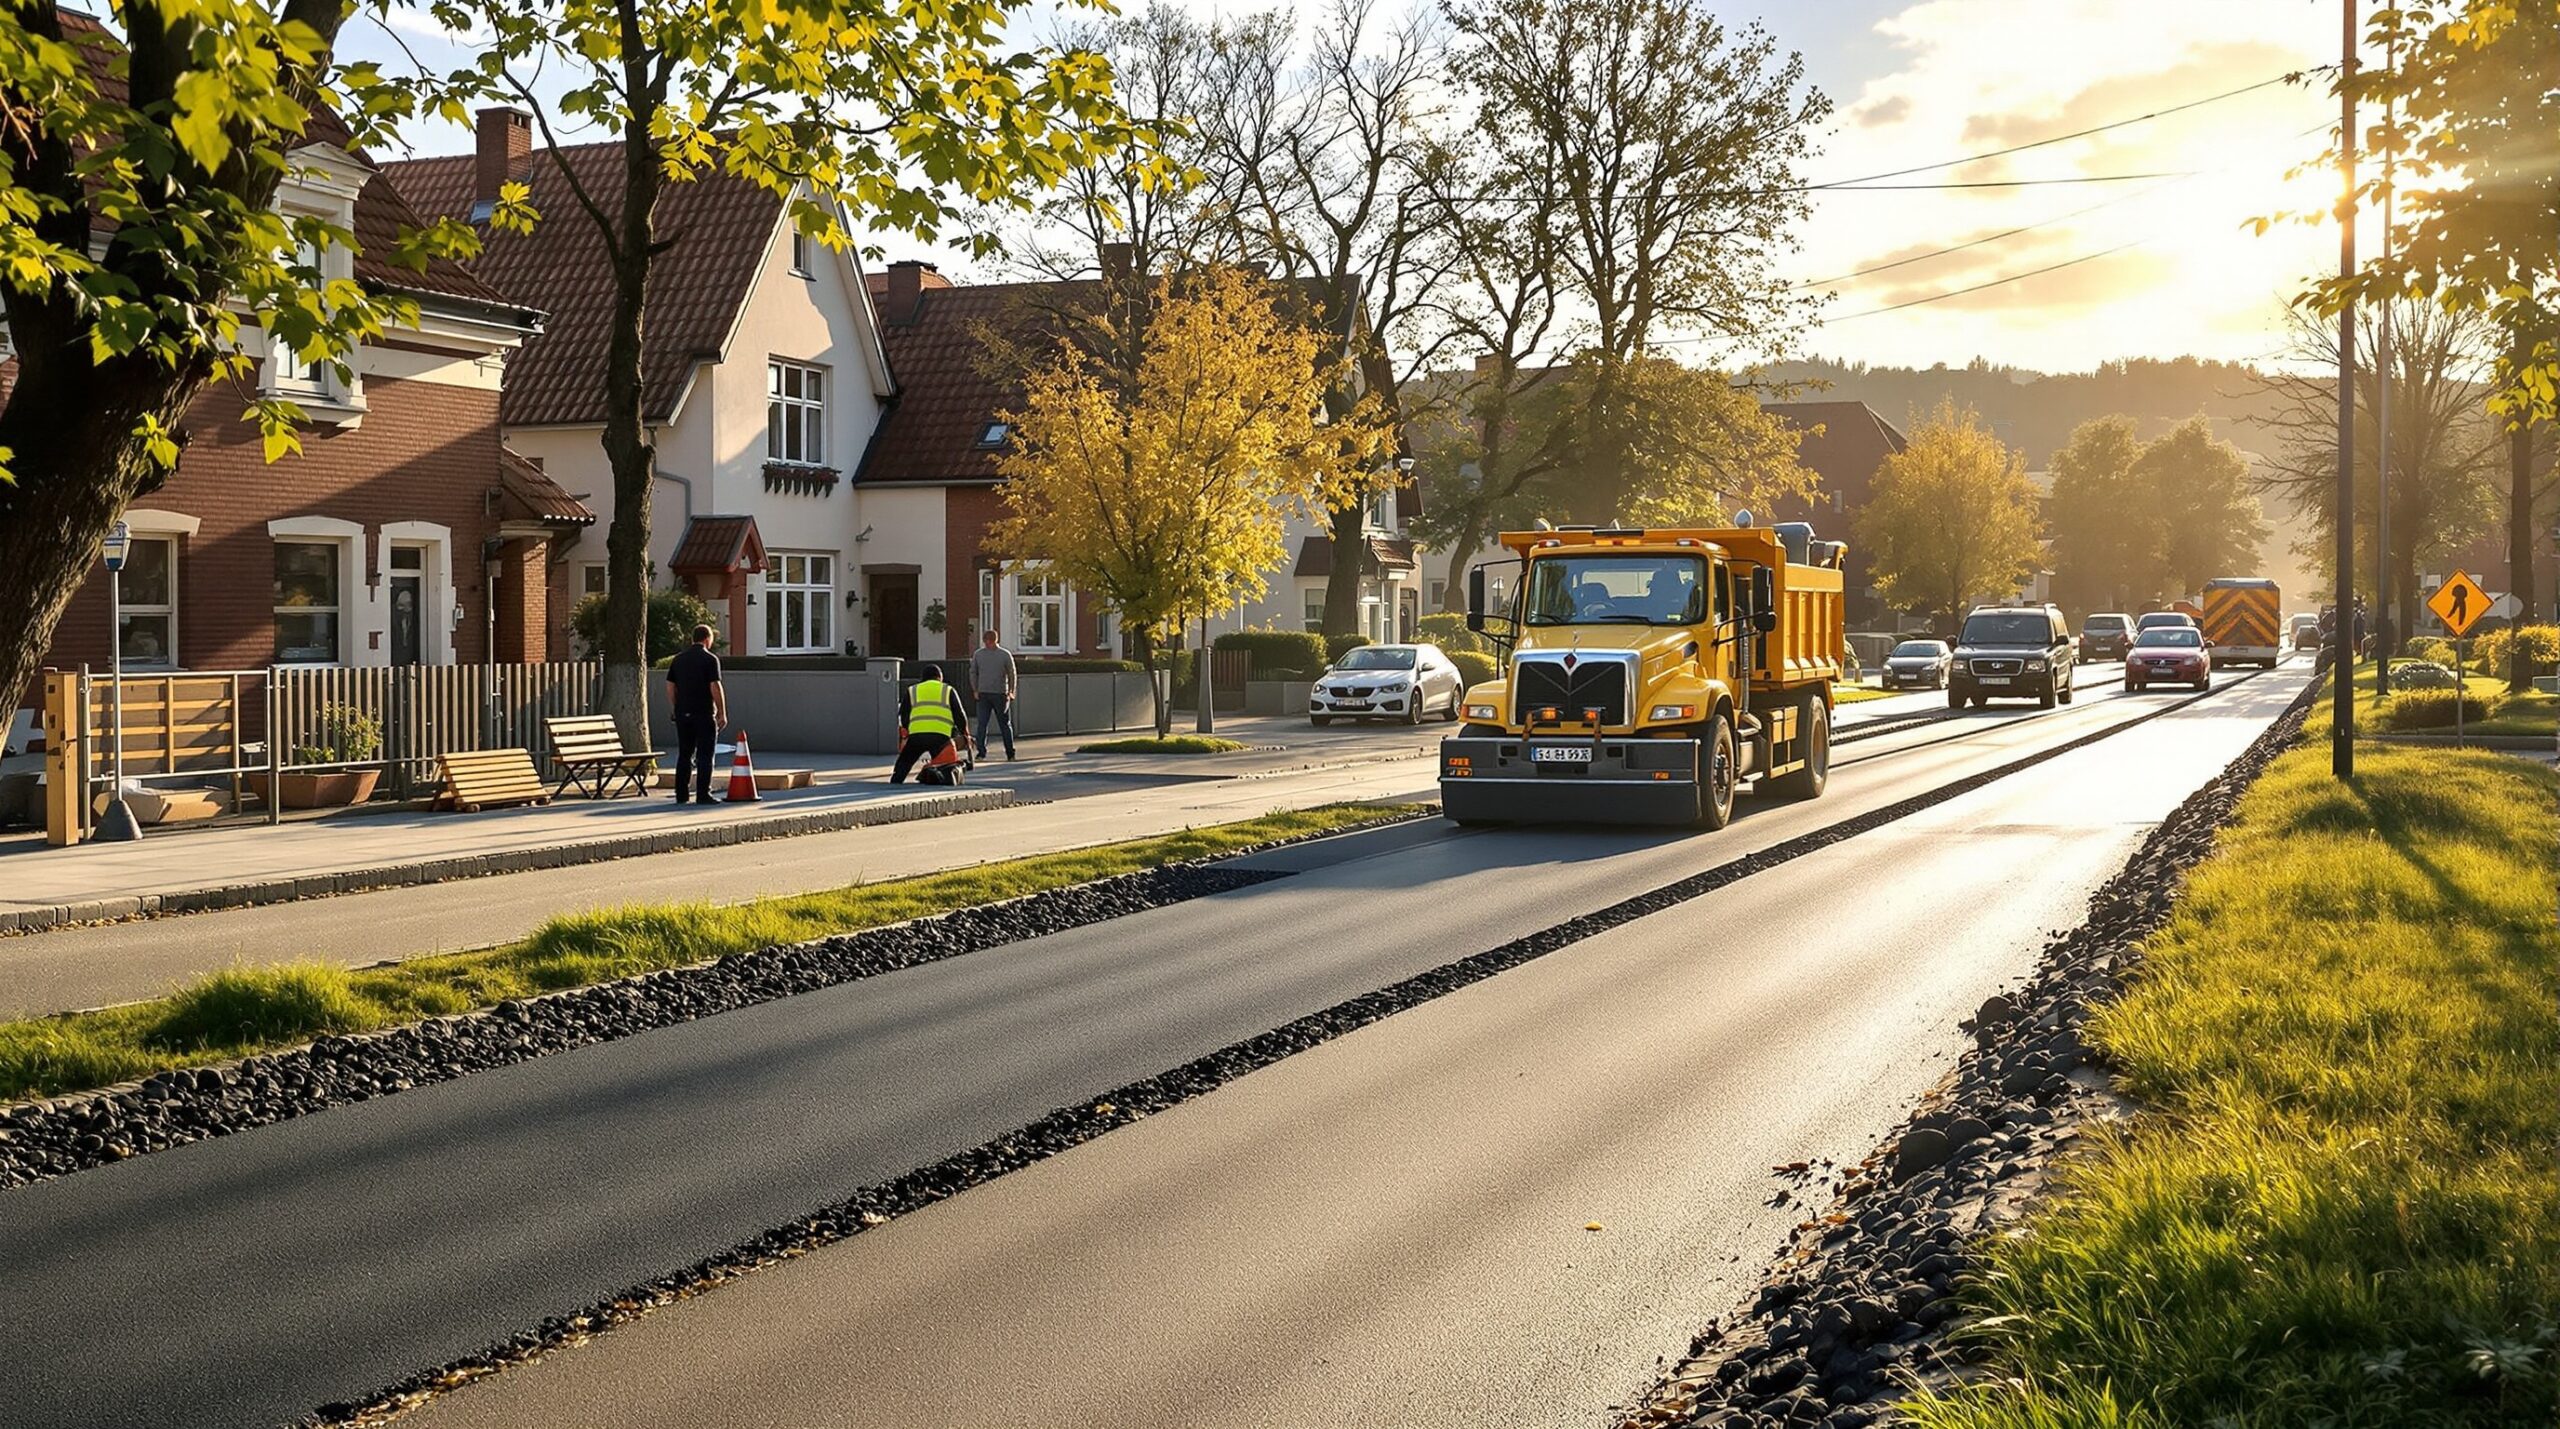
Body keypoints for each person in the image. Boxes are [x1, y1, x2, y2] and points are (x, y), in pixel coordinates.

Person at [664, 624, 726, 805]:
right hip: (704, 713)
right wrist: (721, 712)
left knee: (684, 753)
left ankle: (681, 794)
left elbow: (670, 686)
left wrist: (676, 707)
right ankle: (703, 794)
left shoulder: (678, 659)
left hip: (683, 714)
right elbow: (714, 686)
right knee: (705, 755)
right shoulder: (710, 659)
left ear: (692, 638)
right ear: (707, 639)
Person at [892, 662, 969, 783]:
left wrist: (909, 730)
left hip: (916, 737)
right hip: (941, 738)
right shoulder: (948, 690)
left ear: (923, 678)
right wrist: (964, 733)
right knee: (944, 767)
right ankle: (938, 779)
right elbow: (960, 715)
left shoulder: (912, 690)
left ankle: (895, 782)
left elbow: (904, 715)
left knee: (904, 763)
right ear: (940, 677)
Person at [970, 628, 1019, 761]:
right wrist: (975, 689)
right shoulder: (978, 654)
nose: (988, 644)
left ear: (995, 641)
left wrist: (1011, 691)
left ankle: (1010, 753)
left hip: (1000, 693)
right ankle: (981, 752)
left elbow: (1012, 673)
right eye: (986, 642)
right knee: (982, 724)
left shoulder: (1005, 654)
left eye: (990, 642)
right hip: (983, 693)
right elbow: (973, 672)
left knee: (1004, 724)